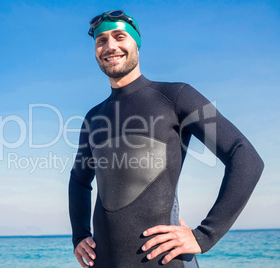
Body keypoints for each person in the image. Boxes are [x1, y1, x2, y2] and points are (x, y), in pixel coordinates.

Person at [68, 10, 264, 268]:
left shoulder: (176, 96)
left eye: (119, 36)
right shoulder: (93, 117)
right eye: (101, 40)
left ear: (136, 43)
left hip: (165, 262)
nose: (110, 46)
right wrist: (80, 235)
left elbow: (245, 156)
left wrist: (205, 235)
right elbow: (79, 181)